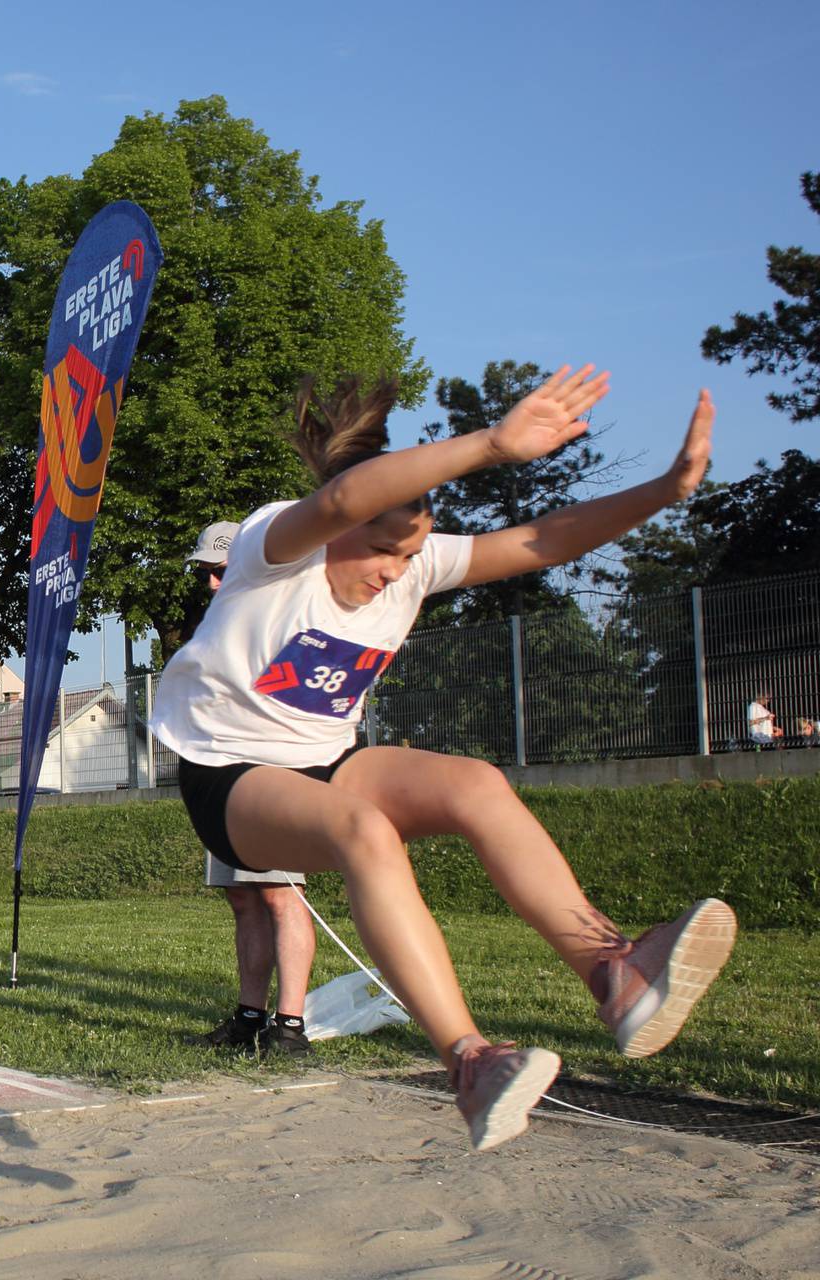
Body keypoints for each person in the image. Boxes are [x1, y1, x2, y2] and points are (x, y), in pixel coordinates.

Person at [151, 367, 736, 1152]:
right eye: (383, 548)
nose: (396, 570)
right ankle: (469, 1062)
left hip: (327, 760)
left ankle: (616, 975)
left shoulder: (414, 565)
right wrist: (493, 444)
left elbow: (544, 539)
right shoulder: (277, 549)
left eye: (411, 552)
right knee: (363, 829)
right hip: (228, 776)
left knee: (476, 783)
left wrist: (665, 491)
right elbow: (336, 501)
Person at [185, 522, 317, 1058]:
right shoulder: (220, 621)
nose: (212, 584)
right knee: (243, 898)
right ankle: (249, 1017)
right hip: (222, 774)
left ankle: (290, 1027)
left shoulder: (285, 614)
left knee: (282, 896)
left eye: (219, 571)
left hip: (271, 775)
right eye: (206, 574)